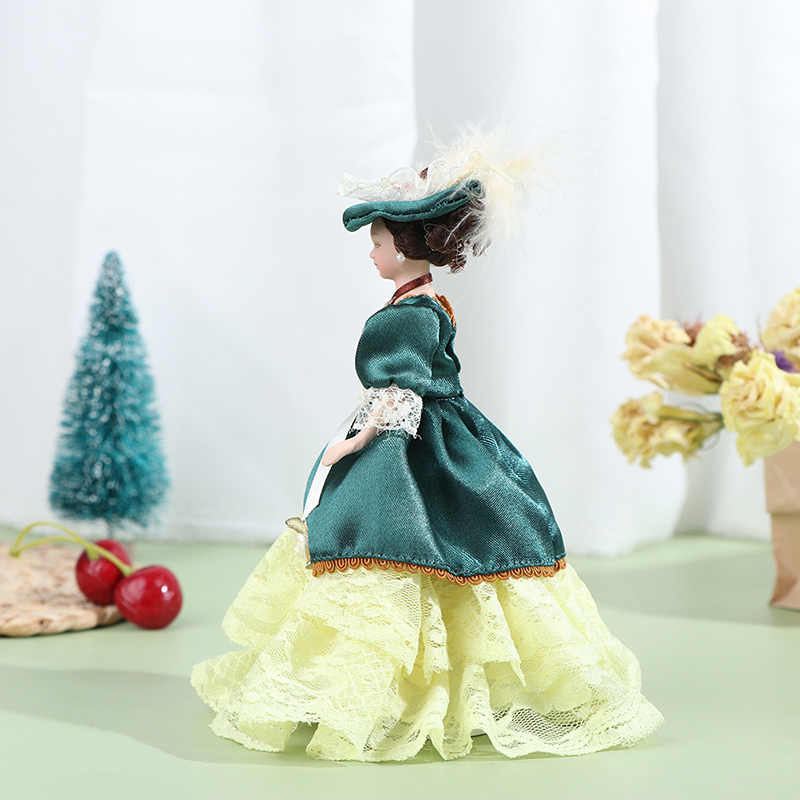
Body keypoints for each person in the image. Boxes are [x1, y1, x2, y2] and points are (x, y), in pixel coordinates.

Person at [192, 135, 663, 762]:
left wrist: (354, 442)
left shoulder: (409, 314)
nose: (372, 253)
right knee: (433, 547)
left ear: (406, 246)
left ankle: (409, 693)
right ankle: (413, 687)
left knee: (394, 537)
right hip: (434, 431)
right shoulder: (424, 302)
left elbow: (401, 393)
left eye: (379, 243)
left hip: (409, 439)